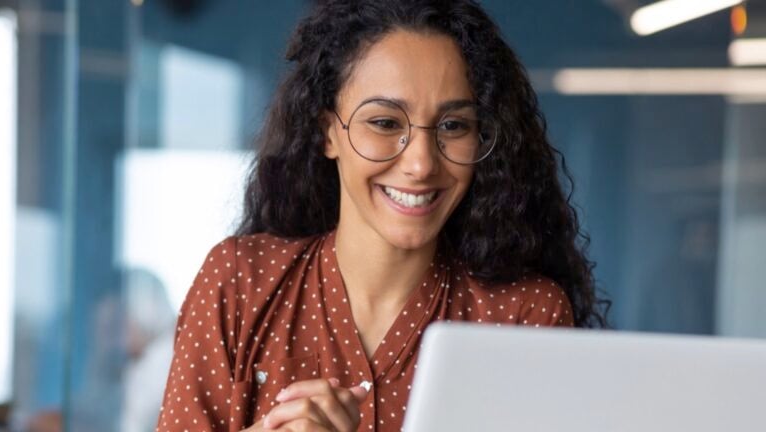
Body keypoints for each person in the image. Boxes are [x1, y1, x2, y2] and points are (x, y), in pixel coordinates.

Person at [156, 1, 608, 431]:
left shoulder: (523, 316)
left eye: (453, 126)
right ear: (327, 132)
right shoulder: (238, 283)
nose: (421, 164)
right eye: (385, 123)